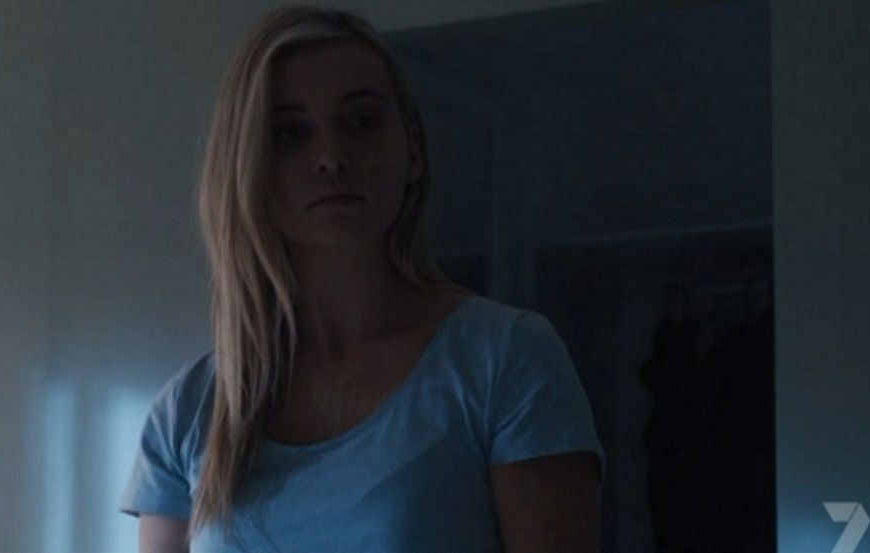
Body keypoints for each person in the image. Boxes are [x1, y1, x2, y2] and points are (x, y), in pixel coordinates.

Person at [119, 4, 607, 552]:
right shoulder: (189, 411)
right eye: (289, 133)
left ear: (412, 151)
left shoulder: (504, 359)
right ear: (247, 167)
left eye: (361, 121)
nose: (331, 157)